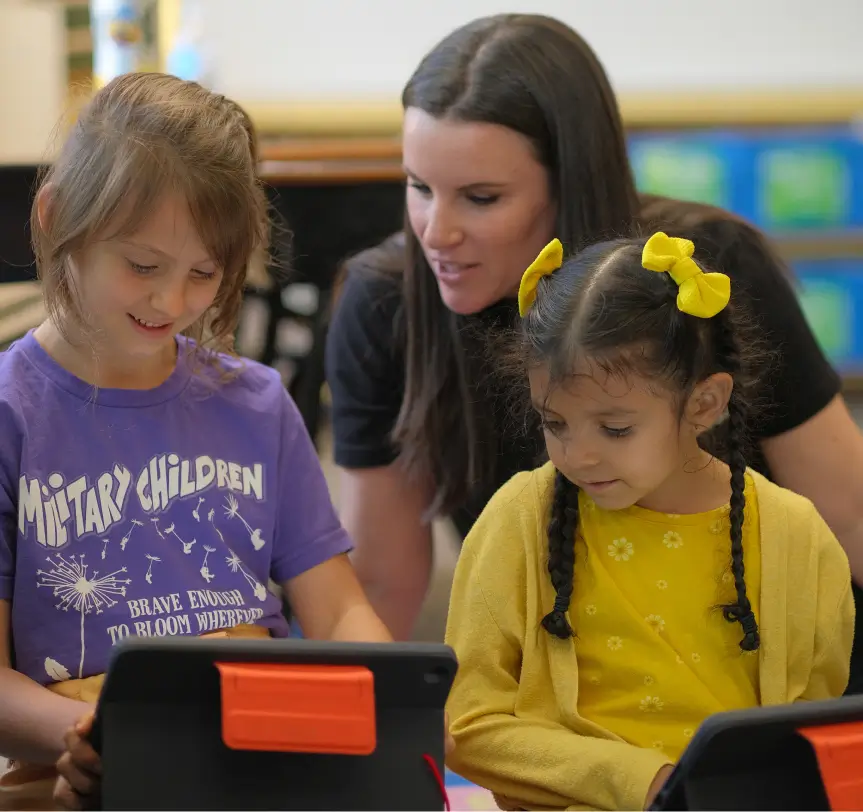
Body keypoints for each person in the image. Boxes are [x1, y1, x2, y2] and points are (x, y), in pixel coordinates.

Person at [325, 12, 863, 664]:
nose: (435, 232)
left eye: (481, 197)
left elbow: (848, 513)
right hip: (574, 680)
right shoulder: (384, 301)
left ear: (569, 182)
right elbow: (380, 580)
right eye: (418, 187)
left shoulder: (700, 268)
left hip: (758, 660)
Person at [0, 73, 395, 810]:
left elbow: (336, 608)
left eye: (203, 274)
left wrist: (391, 703)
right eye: (143, 265)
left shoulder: (257, 402)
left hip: (258, 756)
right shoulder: (10, 414)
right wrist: (99, 735)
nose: (170, 301)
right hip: (80, 764)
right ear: (56, 218)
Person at [443, 232, 854, 811]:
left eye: (615, 429)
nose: (578, 455)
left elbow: (809, 733)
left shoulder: (795, 537)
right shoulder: (521, 518)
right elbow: (469, 725)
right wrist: (644, 780)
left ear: (704, 404)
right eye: (554, 423)